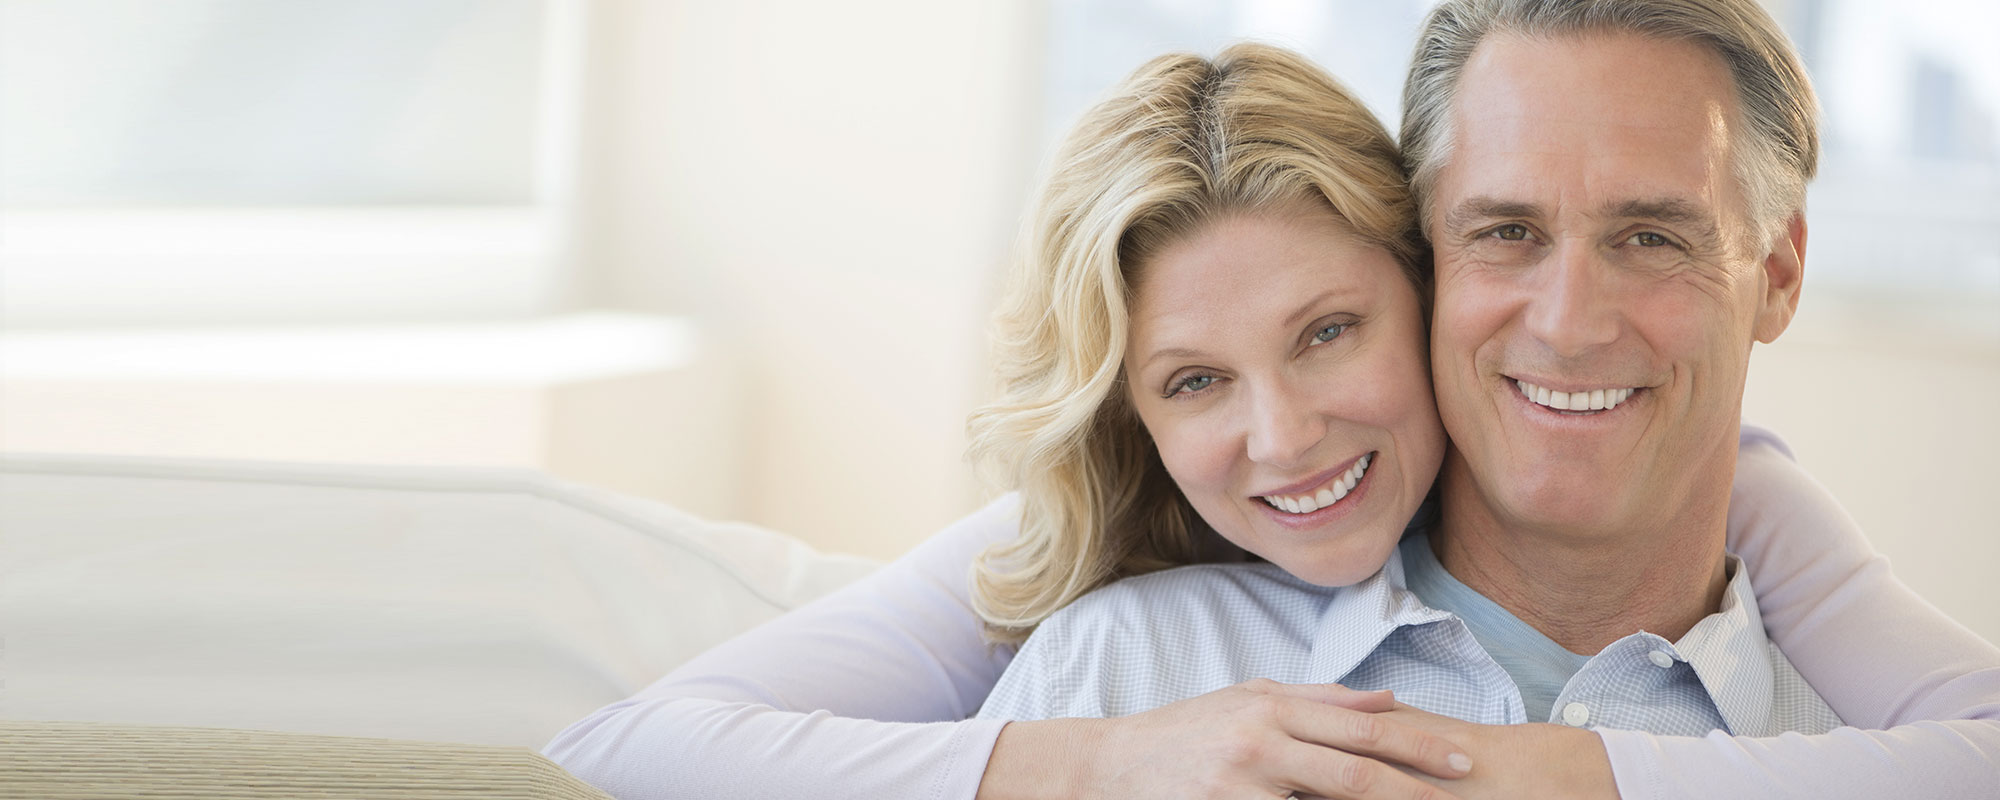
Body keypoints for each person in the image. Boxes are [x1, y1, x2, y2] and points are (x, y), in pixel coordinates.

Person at [543, 6, 2000, 800]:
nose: (1567, 320)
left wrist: (1578, 780)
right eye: (1506, 232)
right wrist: (1104, 762)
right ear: (1443, 262)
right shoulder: (1123, 674)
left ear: (1779, 273)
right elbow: (627, 754)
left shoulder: (1853, 715)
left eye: (1653, 234)